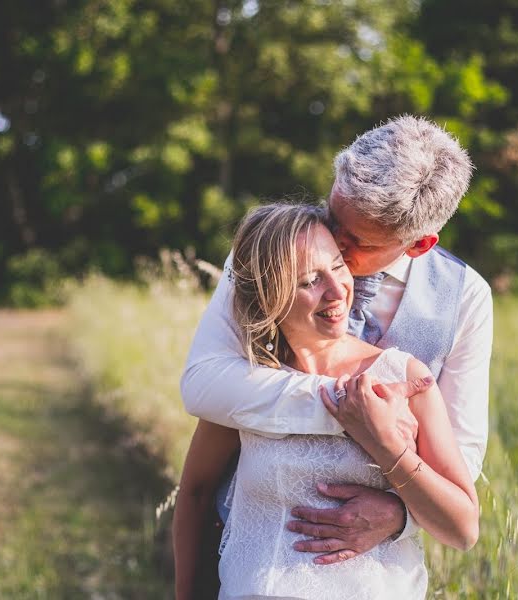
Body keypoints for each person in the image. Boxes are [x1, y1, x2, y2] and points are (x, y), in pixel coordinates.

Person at [178, 115, 493, 587]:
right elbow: (204, 383)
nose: (335, 243)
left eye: (358, 242)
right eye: (333, 213)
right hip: (247, 559)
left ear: (420, 244)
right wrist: (350, 409)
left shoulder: (465, 299)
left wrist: (400, 511)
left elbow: (460, 461)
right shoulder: (273, 256)